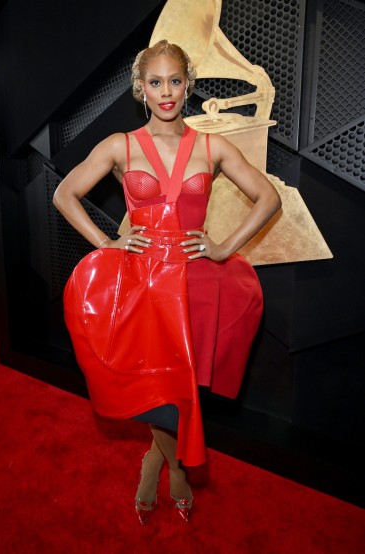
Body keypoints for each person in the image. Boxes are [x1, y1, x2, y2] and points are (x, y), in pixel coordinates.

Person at [53, 39, 281, 525]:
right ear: (141, 88)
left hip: (196, 285)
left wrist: (223, 247)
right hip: (142, 287)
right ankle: (175, 467)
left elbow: (267, 198)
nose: (166, 92)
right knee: (153, 390)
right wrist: (104, 243)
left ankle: (155, 460)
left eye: (174, 81)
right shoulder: (120, 146)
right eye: (155, 82)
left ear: (187, 84)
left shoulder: (213, 145)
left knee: (183, 389)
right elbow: (65, 193)